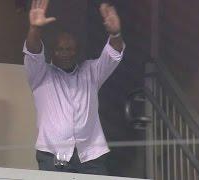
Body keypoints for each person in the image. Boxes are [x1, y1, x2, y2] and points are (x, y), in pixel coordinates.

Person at [23, 0, 125, 175]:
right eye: (59, 49)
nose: (65, 53)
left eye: (70, 49)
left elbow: (113, 55)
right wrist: (34, 29)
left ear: (77, 52)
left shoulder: (91, 72)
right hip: (53, 155)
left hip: (91, 155)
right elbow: (32, 52)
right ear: (52, 51)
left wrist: (115, 34)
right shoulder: (40, 74)